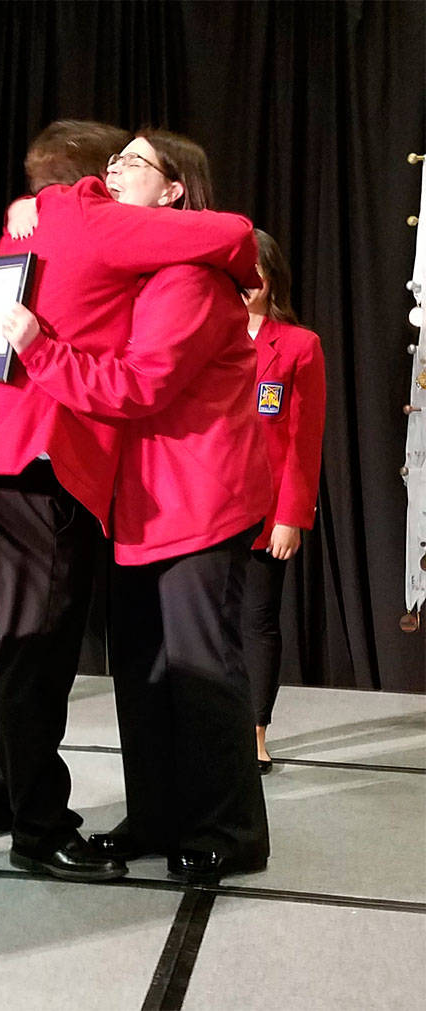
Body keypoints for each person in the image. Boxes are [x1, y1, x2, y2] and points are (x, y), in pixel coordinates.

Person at [0, 119, 262, 883]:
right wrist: (42, 206)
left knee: (166, 662)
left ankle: (218, 827)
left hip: (180, 495)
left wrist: (40, 339)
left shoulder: (176, 269)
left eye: (132, 163)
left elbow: (142, 380)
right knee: (80, 656)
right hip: (100, 486)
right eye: (109, 163)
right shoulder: (95, 232)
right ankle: (90, 817)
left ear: (174, 192)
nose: (114, 174)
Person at [241, 229, 326, 772]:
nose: (245, 283)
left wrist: (291, 516)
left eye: (255, 272)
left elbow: (304, 440)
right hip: (205, 510)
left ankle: (254, 734)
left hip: (265, 513)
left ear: (272, 280)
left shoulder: (299, 345)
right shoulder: (204, 336)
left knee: (257, 622)